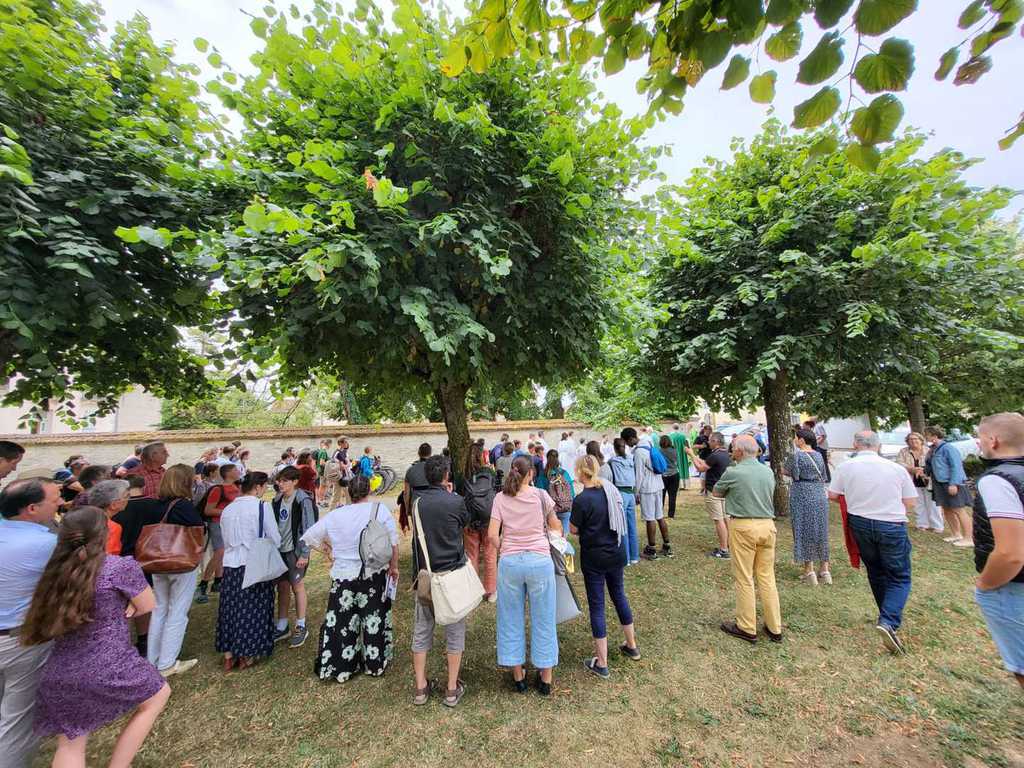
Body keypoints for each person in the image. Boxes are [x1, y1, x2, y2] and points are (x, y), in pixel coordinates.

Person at [22, 507, 170, 767]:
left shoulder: (54, 573)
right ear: (103, 534)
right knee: (158, 695)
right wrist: (130, 603)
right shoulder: (118, 568)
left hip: (60, 670)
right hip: (110, 664)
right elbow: (148, 604)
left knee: (70, 742)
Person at [301, 474, 398, 683]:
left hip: (343, 574)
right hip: (372, 572)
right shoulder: (379, 510)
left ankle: (342, 665)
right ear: (369, 491)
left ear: (348, 492)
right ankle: (375, 663)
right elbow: (393, 541)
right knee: (373, 620)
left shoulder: (336, 514)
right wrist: (394, 566)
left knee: (342, 622)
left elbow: (310, 536)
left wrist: (327, 549)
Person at [829, 431, 917, 654]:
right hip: (891, 522)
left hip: (860, 522)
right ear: (878, 445)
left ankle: (885, 615)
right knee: (899, 575)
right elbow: (910, 502)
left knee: (876, 570)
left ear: (855, 444)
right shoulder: (896, 468)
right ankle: (889, 620)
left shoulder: (846, 467)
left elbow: (833, 495)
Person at [115, 464, 205, 677]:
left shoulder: (156, 505)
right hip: (180, 561)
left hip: (156, 561)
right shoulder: (183, 506)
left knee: (160, 609)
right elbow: (198, 530)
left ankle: (153, 658)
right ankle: (167, 662)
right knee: (178, 610)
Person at [488, 455, 561, 696]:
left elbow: (492, 535)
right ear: (531, 474)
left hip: (510, 562)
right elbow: (555, 526)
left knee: (510, 617)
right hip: (539, 561)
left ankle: (518, 675)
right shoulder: (541, 495)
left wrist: (506, 548)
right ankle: (546, 676)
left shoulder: (500, 498)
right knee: (544, 617)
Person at [0, 478, 59, 768]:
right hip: (20, 638)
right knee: (17, 721)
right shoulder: (47, 543)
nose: (60, 504)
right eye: (54, 500)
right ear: (32, 508)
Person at [411, 455, 474, 707]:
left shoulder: (417, 504)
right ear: (446, 476)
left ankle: (420, 687)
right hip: (452, 574)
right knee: (455, 632)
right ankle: (451, 688)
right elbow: (465, 524)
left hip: (426, 575)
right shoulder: (456, 501)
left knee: (421, 630)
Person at [570, 455, 639, 679]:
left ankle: (602, 662)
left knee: (597, 605)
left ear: (580, 472)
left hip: (594, 557)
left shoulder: (582, 500)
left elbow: (573, 529)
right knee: (619, 595)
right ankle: (631, 645)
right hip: (616, 551)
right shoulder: (610, 490)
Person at [972, 412, 1024, 689]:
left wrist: (984, 584)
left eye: (980, 438)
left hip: (1013, 585)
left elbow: (1011, 553)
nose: (978, 444)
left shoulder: (998, 480)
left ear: (993, 441)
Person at [713, 435, 782, 644]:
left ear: (740, 451)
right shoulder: (767, 471)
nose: (731, 451)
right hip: (767, 526)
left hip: (743, 526)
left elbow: (716, 492)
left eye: (733, 448)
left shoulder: (734, 472)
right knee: (767, 577)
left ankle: (746, 626)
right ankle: (774, 627)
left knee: (744, 577)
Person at [216, 471, 278, 670]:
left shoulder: (228, 509)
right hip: (254, 562)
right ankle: (247, 652)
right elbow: (274, 537)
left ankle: (229, 653)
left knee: (230, 608)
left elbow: (225, 538)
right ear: (258, 487)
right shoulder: (262, 506)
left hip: (231, 563)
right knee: (254, 608)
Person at [271, 466, 317, 648]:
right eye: (279, 481)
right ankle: (282, 625)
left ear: (295, 481)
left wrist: (304, 553)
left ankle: (301, 625)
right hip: (280, 550)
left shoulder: (302, 500)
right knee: (282, 587)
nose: (280, 484)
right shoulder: (277, 500)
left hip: (295, 551)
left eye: (285, 481)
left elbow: (309, 527)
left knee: (297, 586)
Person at [784, 428, 831, 585]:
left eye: (796, 438)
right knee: (821, 530)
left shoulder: (796, 455)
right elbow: (823, 474)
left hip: (801, 493)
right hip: (819, 493)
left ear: (802, 440)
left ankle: (809, 571)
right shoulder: (819, 455)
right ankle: (825, 570)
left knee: (803, 529)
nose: (794, 440)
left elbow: (786, 471)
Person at [622, 427, 671, 560]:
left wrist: (635, 493)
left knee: (650, 518)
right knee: (660, 516)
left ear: (630, 439)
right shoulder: (648, 443)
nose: (627, 445)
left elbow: (639, 475)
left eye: (626, 442)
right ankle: (667, 546)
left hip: (647, 488)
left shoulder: (639, 452)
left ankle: (651, 549)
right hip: (658, 485)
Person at [195, 463, 241, 604]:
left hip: (230, 525)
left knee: (224, 552)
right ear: (228, 473)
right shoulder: (218, 489)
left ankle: (218, 581)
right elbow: (208, 510)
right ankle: (203, 584)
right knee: (220, 552)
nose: (238, 471)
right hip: (217, 524)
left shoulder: (236, 488)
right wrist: (229, 512)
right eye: (235, 470)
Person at [460, 443, 498, 602]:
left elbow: (460, 497)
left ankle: (474, 591)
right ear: (482, 456)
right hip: (489, 518)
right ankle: (491, 591)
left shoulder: (462, 475)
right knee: (490, 554)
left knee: (472, 555)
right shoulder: (489, 472)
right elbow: (496, 492)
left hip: (470, 519)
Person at [924, 425, 974, 548]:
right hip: (939, 483)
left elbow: (956, 467)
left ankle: (969, 538)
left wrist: (953, 484)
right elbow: (931, 465)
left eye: (927, 435)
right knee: (946, 509)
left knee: (959, 510)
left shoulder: (948, 448)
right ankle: (956, 534)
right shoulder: (932, 449)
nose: (925, 437)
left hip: (950, 483)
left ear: (934, 436)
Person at [687, 432, 732, 558]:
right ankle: (729, 544)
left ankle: (723, 549)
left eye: (710, 440)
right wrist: (695, 456)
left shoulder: (715, 455)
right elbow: (706, 463)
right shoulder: (725, 454)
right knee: (726, 519)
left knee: (719, 520)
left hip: (714, 491)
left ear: (715, 441)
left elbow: (700, 468)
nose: (708, 442)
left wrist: (691, 455)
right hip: (725, 491)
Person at [896, 432, 943, 532]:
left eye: (915, 439)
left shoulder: (929, 450)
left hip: (928, 480)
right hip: (912, 480)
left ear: (921, 440)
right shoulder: (903, 451)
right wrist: (911, 469)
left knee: (933, 504)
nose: (913, 441)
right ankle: (922, 524)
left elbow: (935, 463)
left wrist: (923, 470)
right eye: (910, 439)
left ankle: (937, 526)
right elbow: (899, 463)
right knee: (918, 504)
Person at [608, 438, 640, 565]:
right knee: (632, 526)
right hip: (631, 493)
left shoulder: (613, 461)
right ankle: (634, 556)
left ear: (615, 448)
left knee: (623, 527)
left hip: (621, 493)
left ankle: (625, 558)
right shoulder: (631, 459)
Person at [535, 450, 575, 535]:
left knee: (551, 537)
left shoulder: (543, 475)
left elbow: (539, 494)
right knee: (564, 537)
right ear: (557, 458)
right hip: (565, 508)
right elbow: (572, 492)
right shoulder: (564, 473)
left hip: (550, 510)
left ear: (547, 458)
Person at [89, 479, 131, 555]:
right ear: (113, 505)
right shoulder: (112, 527)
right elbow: (109, 557)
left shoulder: (85, 518)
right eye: (126, 496)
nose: (128, 499)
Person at [403, 443, 432, 529]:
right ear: (430, 453)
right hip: (432, 501)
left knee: (418, 531)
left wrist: (407, 509)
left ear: (418, 453)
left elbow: (406, 493)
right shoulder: (434, 469)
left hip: (416, 503)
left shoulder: (410, 470)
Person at [659, 435, 681, 519]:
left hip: (663, 475)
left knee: (661, 495)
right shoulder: (674, 450)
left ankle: (660, 513)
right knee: (672, 496)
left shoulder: (659, 451)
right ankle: (671, 515)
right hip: (674, 474)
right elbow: (677, 461)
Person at [668, 424, 691, 490]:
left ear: (672, 428)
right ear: (678, 428)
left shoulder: (670, 436)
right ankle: (685, 485)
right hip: (682, 455)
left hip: (674, 455)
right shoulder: (683, 436)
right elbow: (687, 446)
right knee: (683, 467)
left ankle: (678, 485)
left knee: (676, 468)